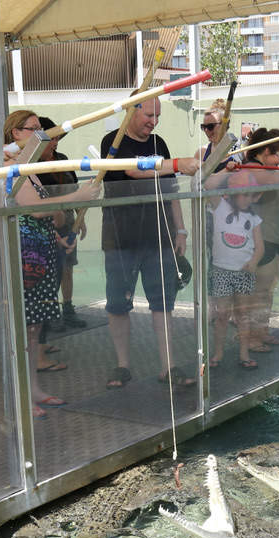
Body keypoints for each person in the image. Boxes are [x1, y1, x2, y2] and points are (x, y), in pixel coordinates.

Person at [98, 97, 201, 389]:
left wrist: (180, 231)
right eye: (149, 115)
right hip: (121, 237)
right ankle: (122, 365)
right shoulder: (113, 141)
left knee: (163, 302)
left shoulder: (159, 142)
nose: (153, 122)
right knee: (118, 302)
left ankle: (168, 367)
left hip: (158, 236)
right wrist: (181, 163)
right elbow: (135, 170)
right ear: (132, 111)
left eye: (158, 116)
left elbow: (169, 189)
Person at [3, 110, 100, 417]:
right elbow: (32, 209)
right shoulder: (9, 166)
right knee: (22, 330)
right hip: (21, 259)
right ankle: (20, 396)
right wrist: (79, 196)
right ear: (15, 133)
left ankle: (32, 388)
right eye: (32, 129)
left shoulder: (29, 168)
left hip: (40, 253)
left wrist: (58, 238)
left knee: (34, 329)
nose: (39, 135)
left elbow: (38, 216)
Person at [34, 116, 86, 373]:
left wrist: (79, 217)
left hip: (66, 224)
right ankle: (39, 345)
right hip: (46, 230)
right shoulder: (32, 166)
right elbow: (37, 207)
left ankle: (66, 309)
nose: (55, 143)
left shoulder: (63, 160)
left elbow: (73, 187)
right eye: (50, 138)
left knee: (65, 269)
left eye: (56, 139)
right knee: (44, 282)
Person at [240, 128, 279, 352]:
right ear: (266, 150)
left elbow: (277, 199)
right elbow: (276, 179)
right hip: (260, 240)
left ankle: (261, 331)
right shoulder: (253, 168)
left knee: (268, 290)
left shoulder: (268, 170)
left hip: (275, 237)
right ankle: (251, 338)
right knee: (258, 292)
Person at [208, 172, 264, 370]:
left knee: (243, 314)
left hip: (244, 272)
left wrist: (254, 261)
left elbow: (260, 247)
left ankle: (244, 353)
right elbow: (208, 184)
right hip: (221, 270)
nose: (247, 199)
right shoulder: (220, 207)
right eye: (243, 194)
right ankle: (218, 352)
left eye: (251, 195)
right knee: (221, 314)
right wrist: (228, 171)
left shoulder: (254, 218)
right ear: (232, 193)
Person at [195, 98, 239, 175]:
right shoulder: (202, 153)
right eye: (203, 127)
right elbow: (195, 184)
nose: (206, 130)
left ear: (224, 125)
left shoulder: (239, 150)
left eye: (210, 126)